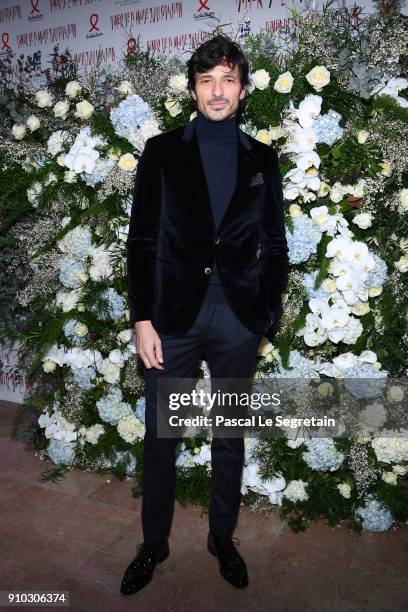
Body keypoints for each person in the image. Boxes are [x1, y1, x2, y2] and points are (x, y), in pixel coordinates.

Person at [120, 33, 289, 595]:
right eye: (206, 80)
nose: (217, 91)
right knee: (162, 438)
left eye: (228, 80)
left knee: (229, 435)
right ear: (193, 90)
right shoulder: (162, 152)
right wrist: (142, 318)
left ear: (242, 91)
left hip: (239, 320)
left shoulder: (262, 159)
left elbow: (276, 244)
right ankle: (152, 544)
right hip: (173, 321)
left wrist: (265, 313)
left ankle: (223, 537)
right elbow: (141, 239)